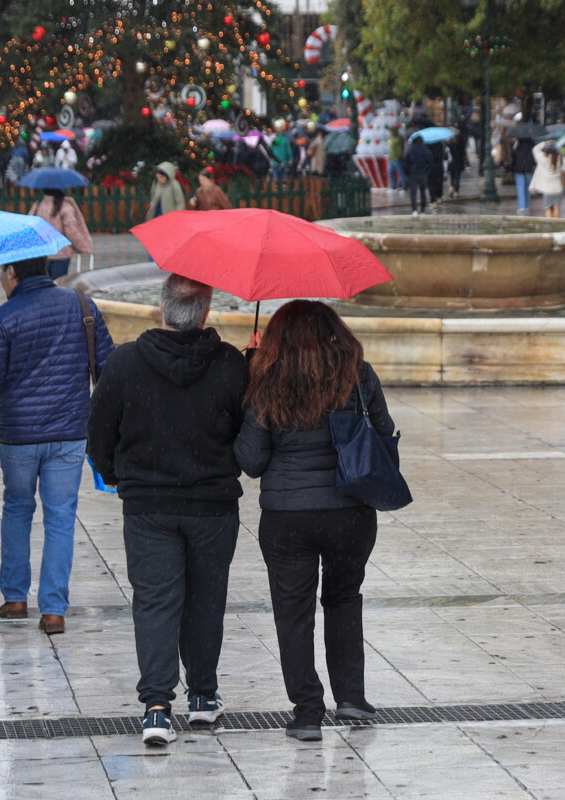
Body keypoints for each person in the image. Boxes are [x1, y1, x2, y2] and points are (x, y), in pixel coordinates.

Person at [88, 275, 249, 747]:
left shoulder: (125, 363)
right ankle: (202, 696)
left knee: (155, 600)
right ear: (205, 312)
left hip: (148, 506)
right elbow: (248, 435)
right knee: (205, 599)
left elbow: (99, 431)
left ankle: (157, 707)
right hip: (212, 506)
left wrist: (115, 472)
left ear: (161, 310)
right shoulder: (229, 365)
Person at [235, 301, 393, 742]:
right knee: (344, 599)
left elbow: (250, 460)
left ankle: (307, 712)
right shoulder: (358, 374)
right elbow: (384, 432)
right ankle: (352, 698)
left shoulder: (267, 381)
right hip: (350, 511)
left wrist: (251, 379)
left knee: (293, 612)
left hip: (288, 517)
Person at [0, 256, 115, 636]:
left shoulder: (6, 315)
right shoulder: (81, 305)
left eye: (3, 272)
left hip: (19, 435)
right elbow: (107, 364)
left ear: (13, 273)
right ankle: (53, 611)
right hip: (69, 431)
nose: (2, 279)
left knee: (17, 509)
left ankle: (16, 598)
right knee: (61, 517)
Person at [28, 190, 93, 281]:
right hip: (61, 254)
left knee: (43, 285)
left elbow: (30, 227)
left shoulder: (38, 205)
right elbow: (72, 231)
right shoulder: (65, 206)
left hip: (42, 254)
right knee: (58, 284)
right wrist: (83, 247)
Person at [530, 142, 565, 218]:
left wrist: (544, 143)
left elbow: (535, 149)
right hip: (559, 188)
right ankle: (557, 223)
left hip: (547, 189)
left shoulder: (543, 158)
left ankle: (549, 224)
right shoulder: (561, 159)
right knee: (557, 207)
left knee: (547, 207)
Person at [402, 135, 433, 216]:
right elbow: (430, 161)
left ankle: (414, 210)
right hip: (423, 173)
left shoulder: (410, 150)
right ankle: (423, 210)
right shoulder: (425, 150)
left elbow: (406, 163)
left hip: (413, 174)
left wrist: (407, 174)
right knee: (423, 192)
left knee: (413, 193)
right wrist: (427, 171)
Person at [511, 136, 537, 213]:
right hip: (528, 168)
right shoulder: (532, 145)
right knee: (527, 188)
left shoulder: (517, 145)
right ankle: (527, 206)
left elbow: (513, 155)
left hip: (519, 168)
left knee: (520, 187)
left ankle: (522, 206)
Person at [447, 128, 467, 198]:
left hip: (452, 162)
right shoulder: (461, 144)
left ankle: (452, 187)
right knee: (457, 177)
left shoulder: (451, 144)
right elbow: (463, 153)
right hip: (459, 162)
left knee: (452, 176)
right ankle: (456, 191)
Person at [428, 141, 446, 206]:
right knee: (439, 182)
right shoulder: (440, 144)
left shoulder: (427, 145)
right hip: (439, 166)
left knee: (431, 183)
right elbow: (442, 155)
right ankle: (439, 197)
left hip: (430, 167)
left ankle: (433, 199)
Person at [387, 128, 406, 192]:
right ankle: (393, 187)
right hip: (392, 158)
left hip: (396, 159)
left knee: (401, 173)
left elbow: (400, 149)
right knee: (390, 173)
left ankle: (404, 188)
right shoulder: (392, 138)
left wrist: (398, 156)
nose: (390, 133)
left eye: (391, 132)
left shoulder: (398, 139)